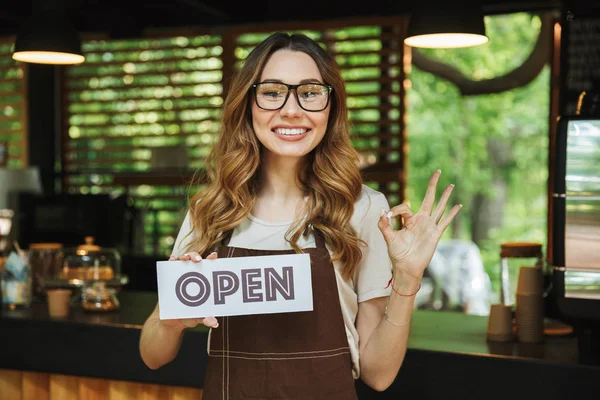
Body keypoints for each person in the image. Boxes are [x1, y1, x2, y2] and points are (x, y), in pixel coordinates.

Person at [139, 32, 461, 399]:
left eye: (310, 93)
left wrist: (407, 278)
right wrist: (173, 322)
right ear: (248, 105)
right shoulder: (212, 208)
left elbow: (378, 374)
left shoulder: (365, 208)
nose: (291, 109)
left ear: (330, 107)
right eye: (272, 92)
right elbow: (152, 355)